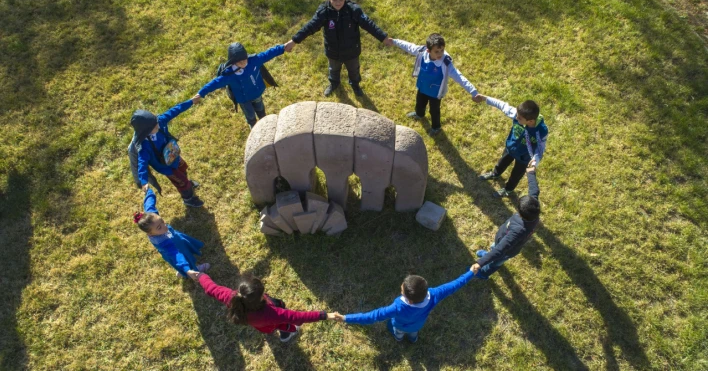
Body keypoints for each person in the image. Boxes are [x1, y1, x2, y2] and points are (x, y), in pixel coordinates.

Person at [285, 0, 393, 97]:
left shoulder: (353, 10)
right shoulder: (324, 12)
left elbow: (369, 25)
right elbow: (310, 27)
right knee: (333, 69)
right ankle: (334, 83)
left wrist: (383, 38)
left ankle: (355, 85)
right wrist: (294, 41)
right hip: (333, 51)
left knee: (354, 70)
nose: (338, 2)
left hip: (351, 50)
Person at [188, 271, 340, 342]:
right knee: (287, 326)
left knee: (274, 323)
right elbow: (298, 317)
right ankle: (287, 335)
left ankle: (284, 332)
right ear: (261, 297)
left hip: (261, 326)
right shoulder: (272, 313)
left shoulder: (233, 298)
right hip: (271, 324)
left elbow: (211, 288)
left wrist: (201, 276)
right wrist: (325, 315)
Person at [334, 267, 475, 343]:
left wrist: (345, 318)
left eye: (402, 290)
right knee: (413, 333)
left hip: (400, 326)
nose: (401, 288)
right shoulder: (434, 295)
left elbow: (371, 316)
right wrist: (470, 273)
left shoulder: (397, 308)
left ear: (410, 300)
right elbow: (455, 285)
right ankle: (413, 339)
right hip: (418, 325)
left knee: (396, 330)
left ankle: (398, 338)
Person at [392, 33, 479, 135]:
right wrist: (394, 41)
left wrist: (473, 91)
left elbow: (459, 77)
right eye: (437, 51)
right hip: (422, 86)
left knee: (434, 111)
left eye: (442, 50)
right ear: (428, 51)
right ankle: (419, 114)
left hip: (435, 93)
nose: (440, 54)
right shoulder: (422, 51)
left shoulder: (446, 63)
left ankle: (436, 127)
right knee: (419, 103)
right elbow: (409, 46)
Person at [196, 42, 290, 128]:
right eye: (240, 62)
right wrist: (201, 93)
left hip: (256, 94)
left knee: (261, 111)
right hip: (244, 100)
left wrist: (283, 47)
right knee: (250, 117)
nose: (244, 63)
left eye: (245, 59)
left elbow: (268, 54)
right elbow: (214, 83)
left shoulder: (254, 61)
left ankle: (266, 125)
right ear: (233, 62)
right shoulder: (229, 75)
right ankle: (253, 128)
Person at [131, 95, 204, 207]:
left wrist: (191, 102)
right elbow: (142, 163)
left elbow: (175, 110)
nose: (158, 126)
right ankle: (188, 198)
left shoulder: (158, 122)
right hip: (166, 167)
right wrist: (143, 181)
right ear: (146, 131)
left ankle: (188, 184)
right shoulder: (144, 145)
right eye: (155, 126)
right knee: (181, 182)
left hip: (173, 155)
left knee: (183, 169)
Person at [472, 167, 541, 279]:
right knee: (494, 248)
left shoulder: (518, 231)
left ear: (521, 214)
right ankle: (488, 255)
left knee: (496, 261)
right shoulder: (534, 208)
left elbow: (500, 250)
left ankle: (484, 273)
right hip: (502, 240)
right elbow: (534, 190)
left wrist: (480, 263)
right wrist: (531, 172)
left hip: (506, 251)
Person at [475, 94, 548, 197]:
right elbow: (502, 105)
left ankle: (508, 189)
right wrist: (485, 98)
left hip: (524, 157)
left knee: (516, 175)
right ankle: (495, 173)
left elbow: (540, 149)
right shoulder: (518, 114)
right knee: (502, 162)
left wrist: (534, 162)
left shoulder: (541, 131)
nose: (516, 117)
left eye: (519, 118)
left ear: (530, 121)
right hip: (511, 147)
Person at [134, 187, 210, 278]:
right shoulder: (163, 243)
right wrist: (187, 270)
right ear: (150, 234)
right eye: (159, 227)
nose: (164, 225)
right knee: (186, 260)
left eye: (162, 221)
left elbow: (149, 204)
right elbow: (176, 255)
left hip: (176, 238)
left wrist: (148, 191)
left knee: (182, 250)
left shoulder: (152, 218)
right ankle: (191, 270)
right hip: (177, 248)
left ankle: (182, 272)